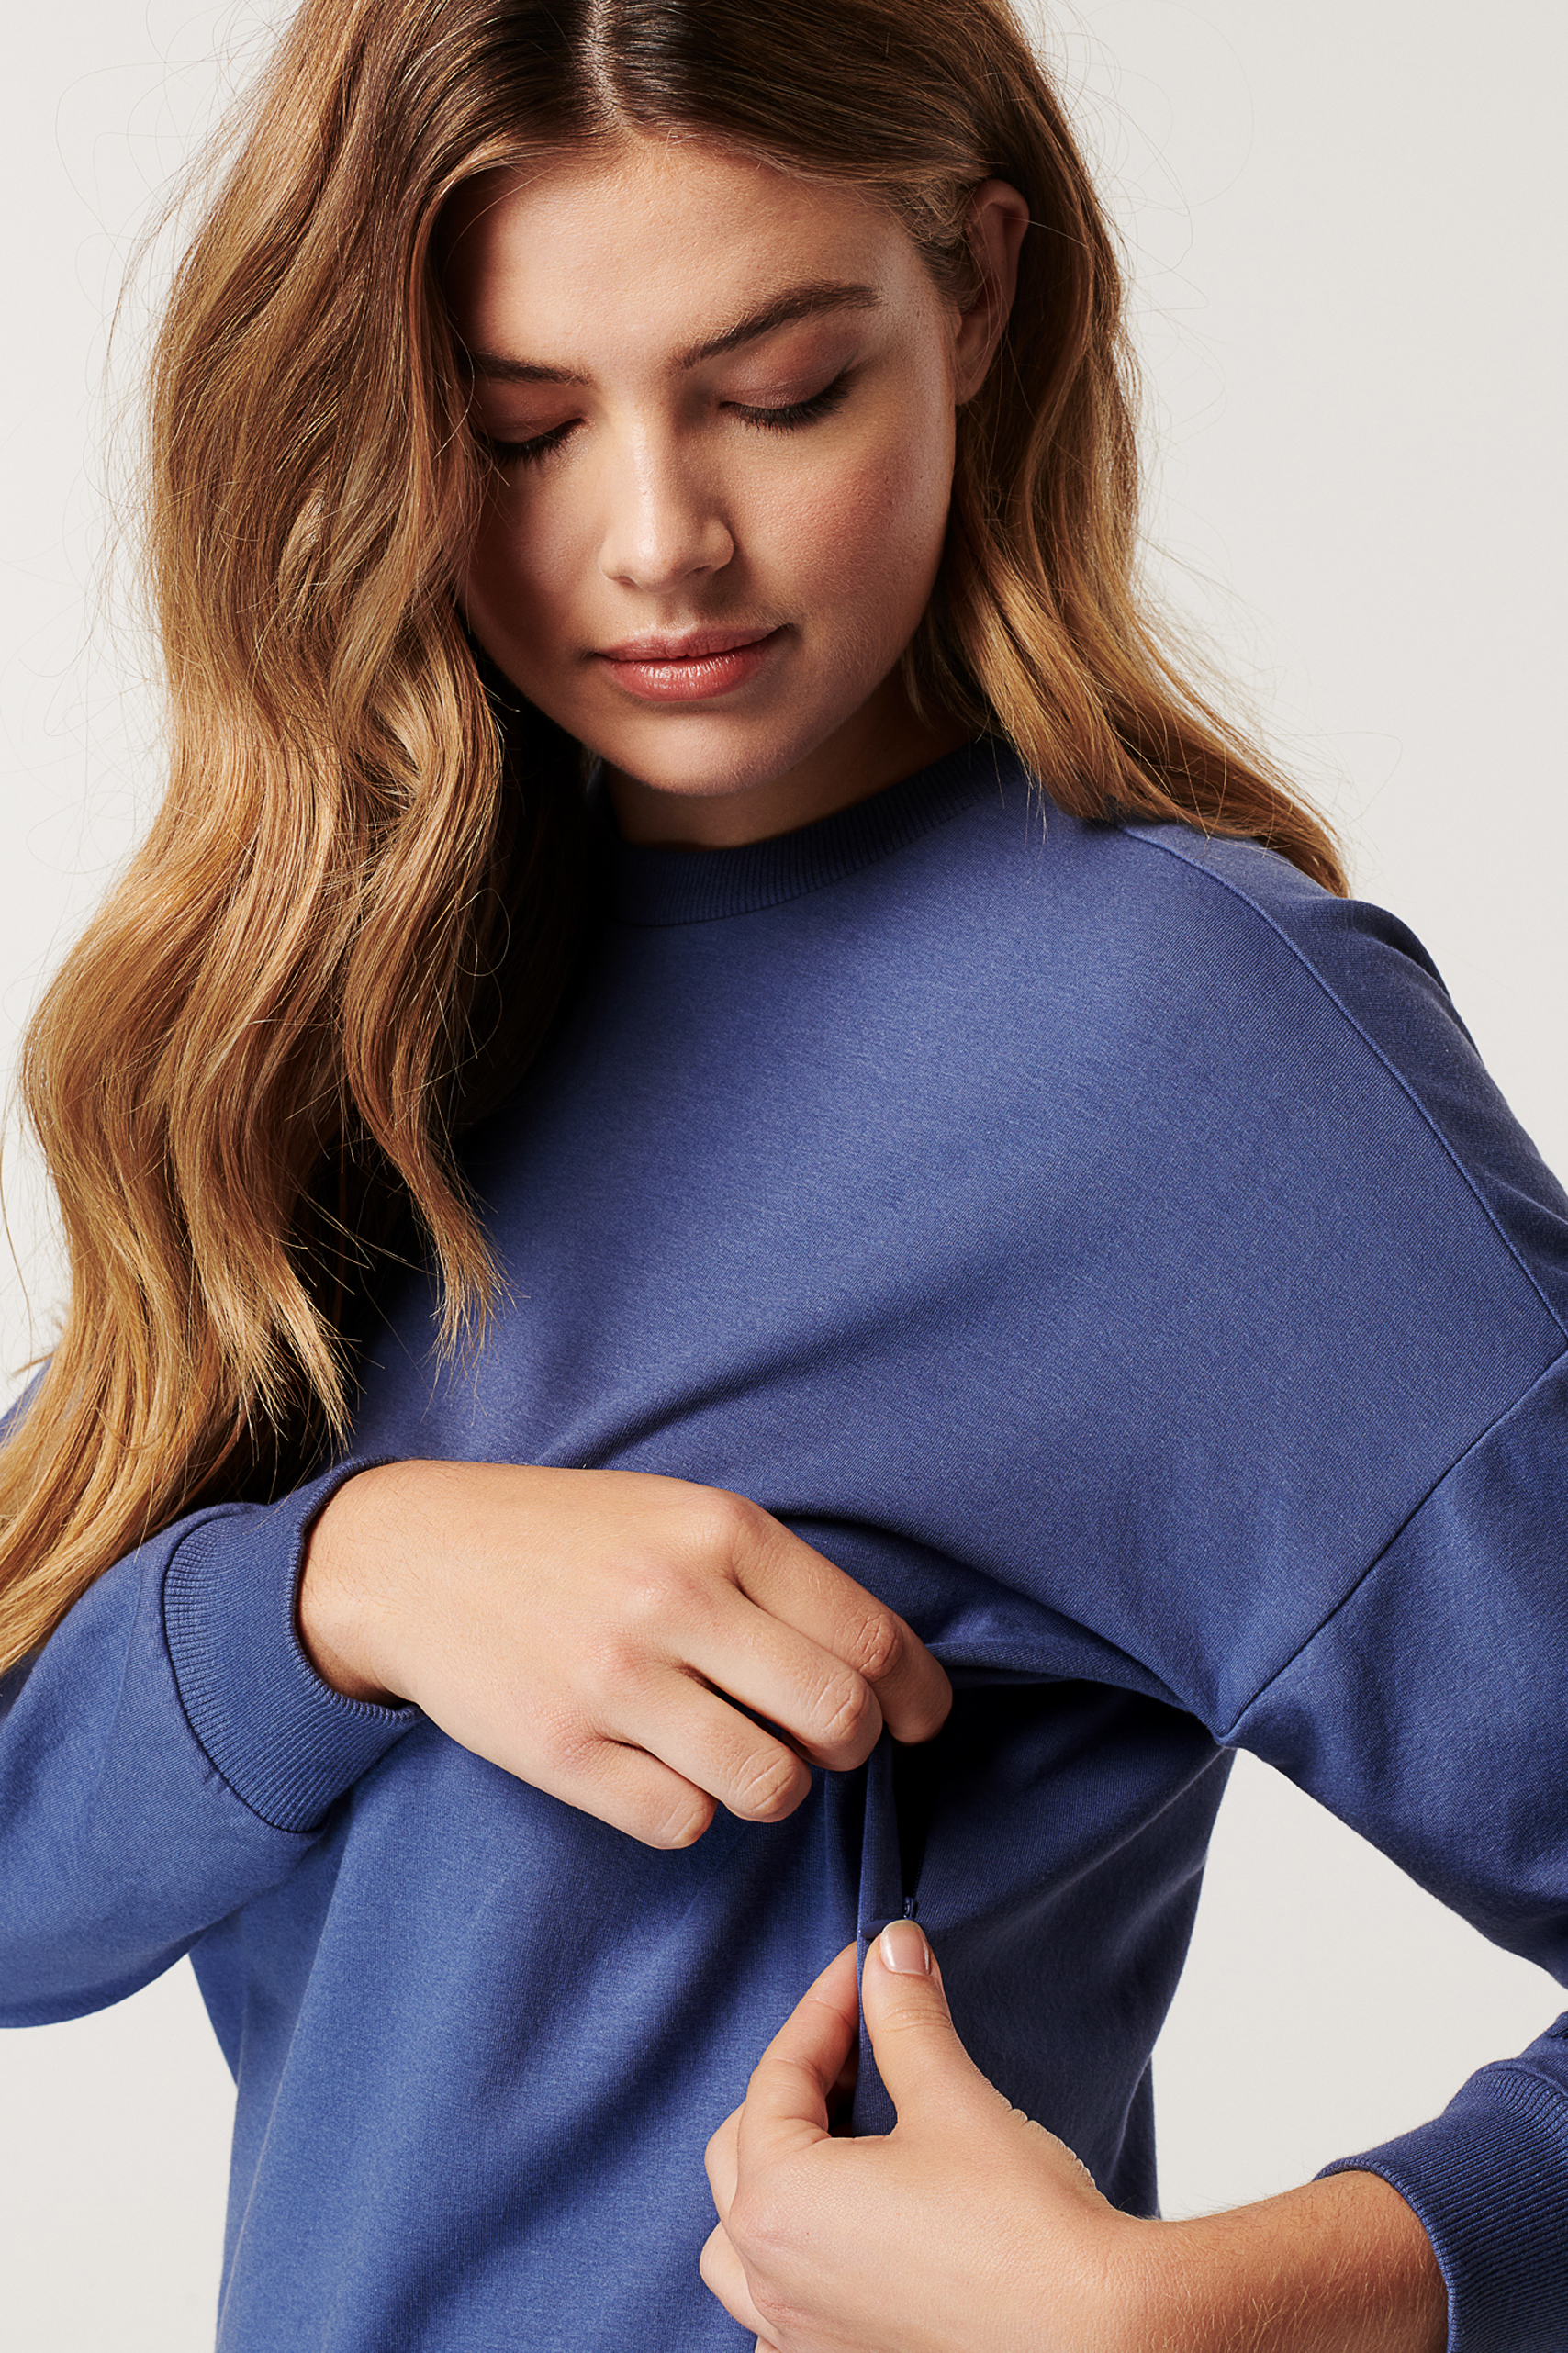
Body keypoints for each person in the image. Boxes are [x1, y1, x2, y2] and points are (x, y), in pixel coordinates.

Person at [1, 5, 1563, 2351]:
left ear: (978, 293)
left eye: (777, 389)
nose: (657, 542)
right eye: (520, 427)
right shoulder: (352, 1001)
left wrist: (1231, 2307)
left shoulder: (1177, 1054)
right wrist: (342, 1587)